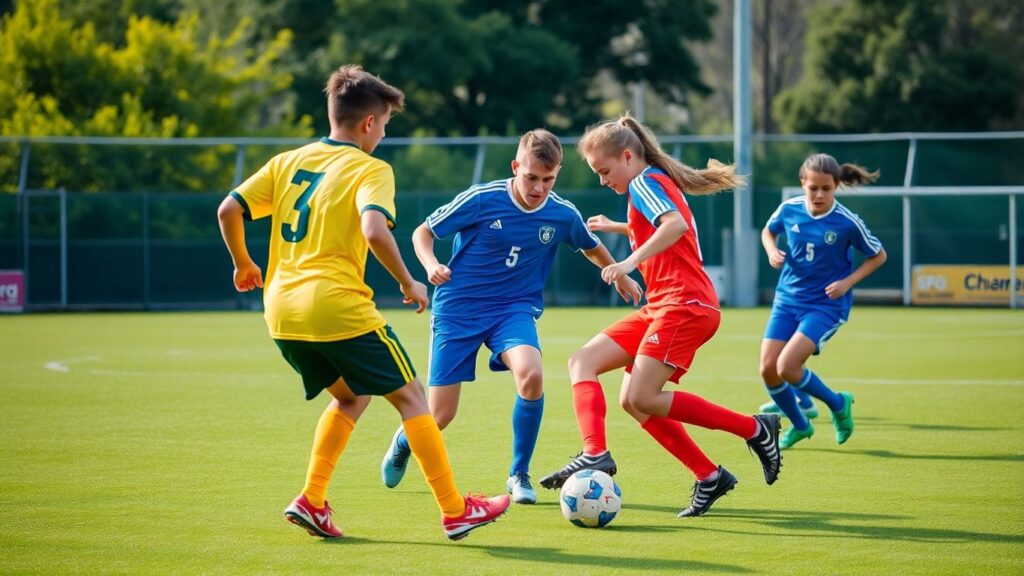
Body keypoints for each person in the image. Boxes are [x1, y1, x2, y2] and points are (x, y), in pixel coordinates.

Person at [216, 64, 509, 541]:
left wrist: (244, 264)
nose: (384, 134)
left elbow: (228, 209)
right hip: (336, 305)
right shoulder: (372, 169)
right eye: (386, 124)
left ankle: (312, 499)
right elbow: (374, 230)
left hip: (281, 311)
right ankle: (456, 510)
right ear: (370, 123)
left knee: (352, 397)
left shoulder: (289, 161)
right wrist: (410, 282)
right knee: (413, 398)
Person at [380, 129, 643, 505]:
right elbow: (423, 232)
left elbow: (591, 245)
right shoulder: (483, 199)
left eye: (548, 179)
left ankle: (519, 474)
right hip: (459, 309)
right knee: (439, 415)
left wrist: (621, 274)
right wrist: (432, 263)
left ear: (557, 175)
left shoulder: (562, 212)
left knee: (532, 375)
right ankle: (404, 441)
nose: (539, 187)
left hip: (513, 309)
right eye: (532, 177)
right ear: (516, 167)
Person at [538, 113, 782, 518]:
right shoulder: (647, 185)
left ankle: (755, 429)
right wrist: (620, 227)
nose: (602, 180)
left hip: (684, 304)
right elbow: (662, 226)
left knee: (642, 397)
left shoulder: (644, 182)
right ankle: (700, 475)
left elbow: (673, 225)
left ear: (629, 156)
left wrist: (629, 261)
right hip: (663, 305)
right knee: (589, 366)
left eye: (604, 170)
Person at [757, 153, 887, 449]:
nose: (818, 194)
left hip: (825, 306)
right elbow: (768, 231)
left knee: (788, 366)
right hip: (787, 299)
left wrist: (847, 282)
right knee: (767, 368)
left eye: (826, 189)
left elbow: (878, 255)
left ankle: (838, 403)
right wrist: (771, 250)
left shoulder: (846, 222)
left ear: (836, 186)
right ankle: (801, 426)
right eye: (812, 187)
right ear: (802, 183)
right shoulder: (789, 209)